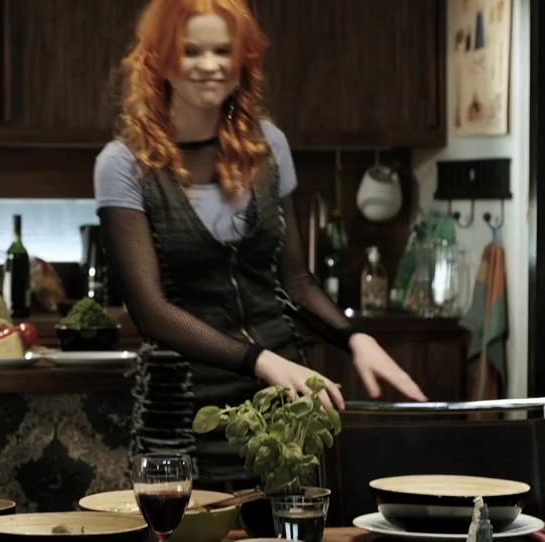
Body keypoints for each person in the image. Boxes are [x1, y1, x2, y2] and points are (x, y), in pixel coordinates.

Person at [94, 0, 429, 492]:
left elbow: (296, 281)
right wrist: (260, 359)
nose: (210, 64)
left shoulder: (267, 145)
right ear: (160, 59)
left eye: (223, 51)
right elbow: (151, 311)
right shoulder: (124, 164)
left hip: (284, 412)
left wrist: (354, 338)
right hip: (186, 415)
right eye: (192, 51)